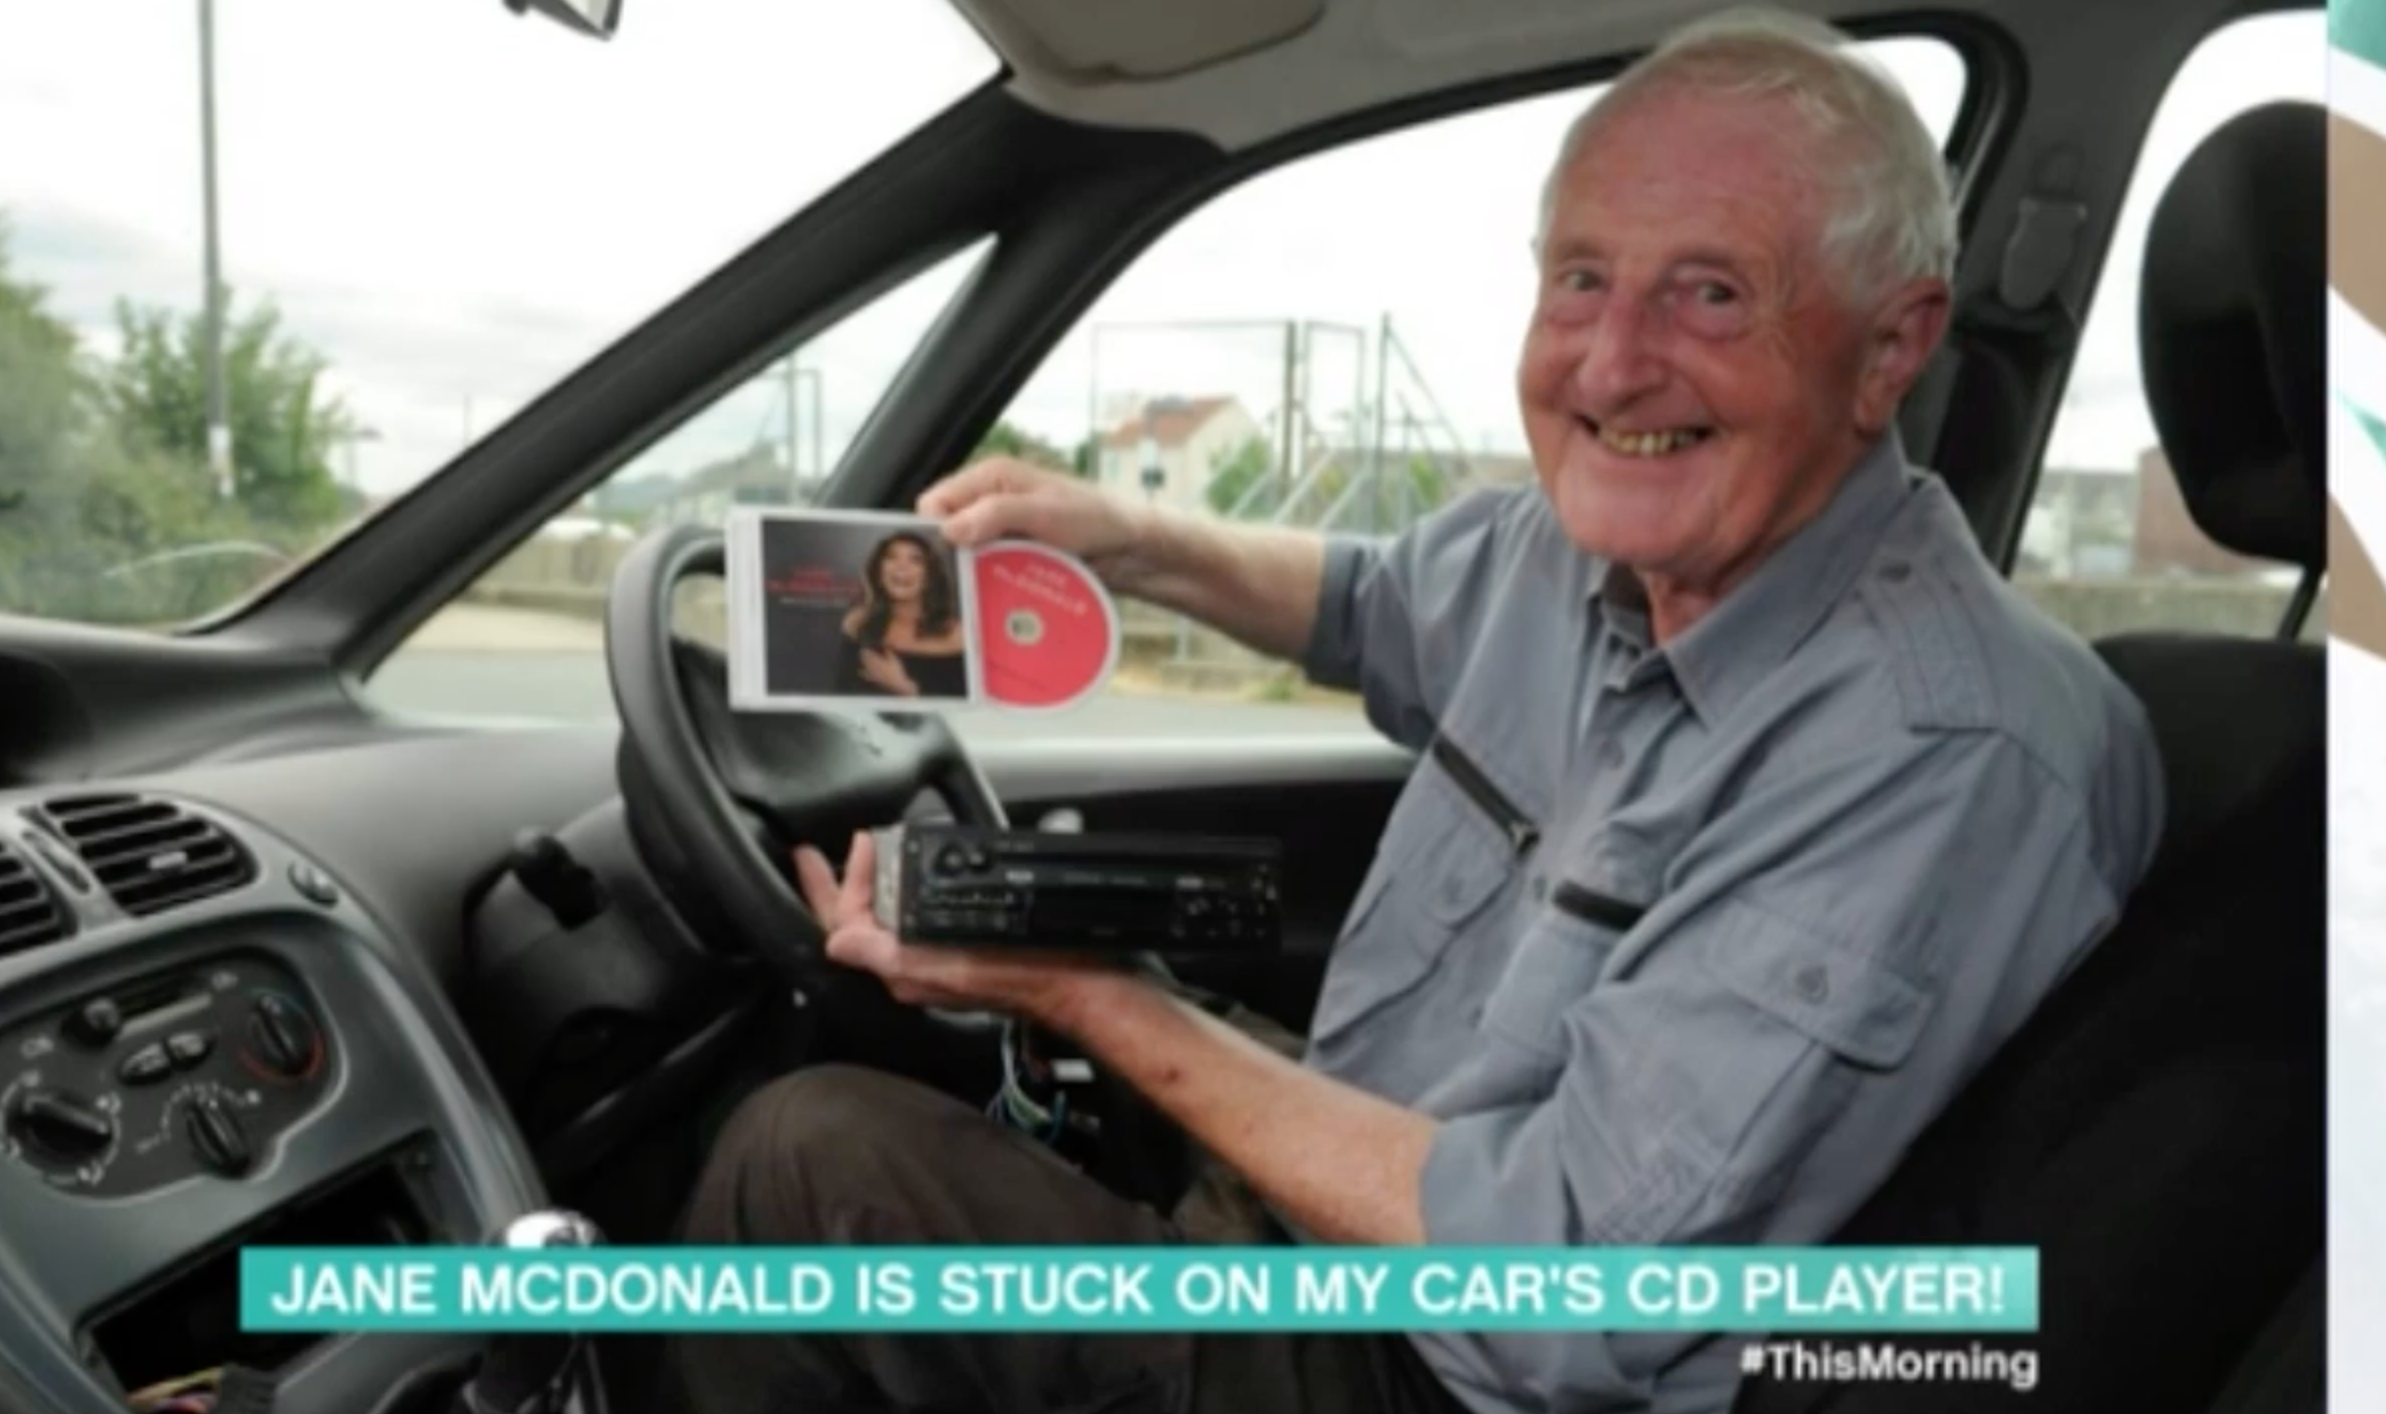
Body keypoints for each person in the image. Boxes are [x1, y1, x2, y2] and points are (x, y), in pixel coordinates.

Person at [668, 9, 2165, 1413]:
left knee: (812, 1170)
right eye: (1580, 277)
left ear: (1890, 346)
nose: (1613, 359)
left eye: (1711, 291)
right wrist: (1131, 541)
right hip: (1350, 1199)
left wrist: (1087, 993)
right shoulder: (1587, 550)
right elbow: (1370, 600)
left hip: (1443, 1366)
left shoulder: (1938, 750)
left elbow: (1563, 1285)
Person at [833, 530, 969, 699]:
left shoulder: (958, 635)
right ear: (879, 572)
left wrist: (904, 688)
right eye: (891, 557)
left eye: (916, 560)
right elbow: (840, 693)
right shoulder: (857, 622)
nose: (901, 566)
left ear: (929, 577)